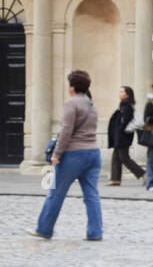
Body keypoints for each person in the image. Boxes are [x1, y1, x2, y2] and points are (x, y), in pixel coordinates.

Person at [30, 70, 102, 241]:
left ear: (72, 87)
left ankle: (44, 229)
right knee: (92, 195)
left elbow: (66, 131)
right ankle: (95, 232)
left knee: (56, 192)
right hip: (93, 153)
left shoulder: (71, 104)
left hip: (73, 154)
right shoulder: (92, 105)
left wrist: (57, 154)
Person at [106, 86, 144, 186]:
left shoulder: (127, 106)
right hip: (119, 136)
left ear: (128, 94)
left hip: (123, 137)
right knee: (116, 157)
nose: (120, 93)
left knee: (124, 158)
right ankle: (115, 179)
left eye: (122, 91)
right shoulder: (122, 106)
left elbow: (125, 121)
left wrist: (119, 131)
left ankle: (143, 174)